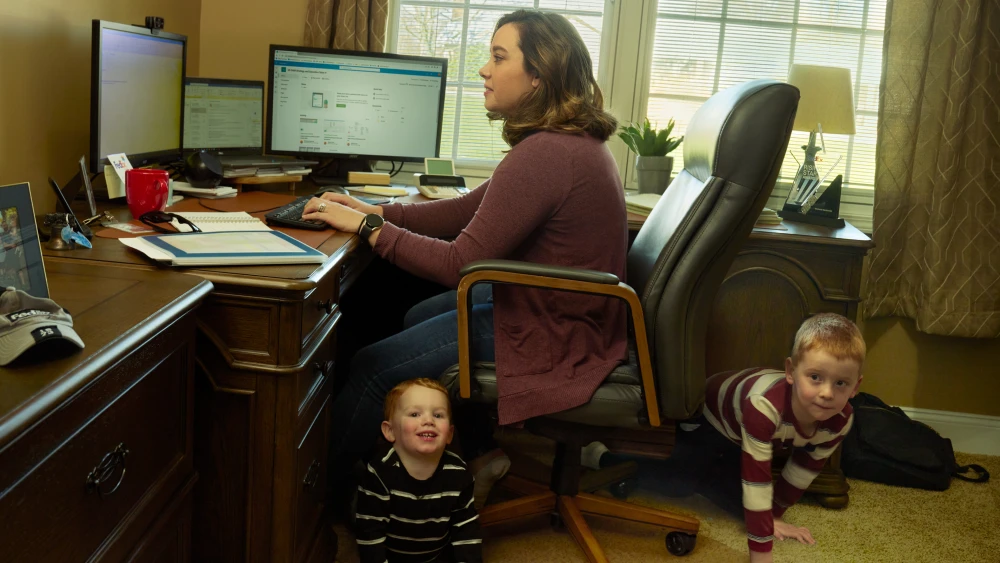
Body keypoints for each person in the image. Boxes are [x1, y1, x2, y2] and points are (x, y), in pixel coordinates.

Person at [303, 9, 628, 511]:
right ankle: (479, 450)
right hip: (560, 313)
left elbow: (462, 262)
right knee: (414, 314)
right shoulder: (565, 143)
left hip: (551, 328)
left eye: (499, 57)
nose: (483, 70)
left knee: (372, 366)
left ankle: (319, 500)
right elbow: (465, 210)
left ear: (539, 73)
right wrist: (374, 209)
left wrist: (370, 230)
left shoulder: (548, 153)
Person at [582, 313, 865, 562]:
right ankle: (603, 458)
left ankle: (698, 476)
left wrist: (775, 516)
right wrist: (761, 555)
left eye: (840, 383)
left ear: (855, 387)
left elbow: (804, 468)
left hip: (740, 434)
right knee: (680, 482)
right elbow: (757, 480)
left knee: (744, 503)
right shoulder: (764, 407)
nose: (827, 393)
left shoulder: (841, 420)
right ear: (791, 372)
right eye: (815, 377)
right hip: (708, 415)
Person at [355, 378, 481, 563]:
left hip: (436, 555)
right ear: (390, 431)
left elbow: (466, 528)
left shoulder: (458, 472)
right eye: (414, 414)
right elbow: (370, 534)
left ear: (450, 434)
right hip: (391, 555)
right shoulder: (380, 472)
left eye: (438, 415)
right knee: (357, 510)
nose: (428, 420)